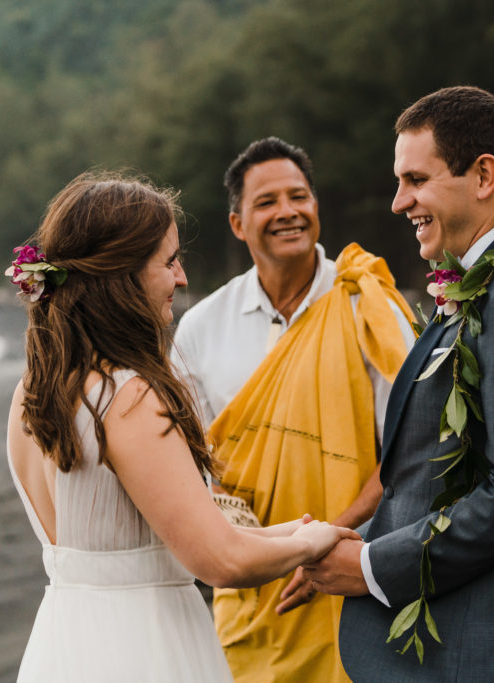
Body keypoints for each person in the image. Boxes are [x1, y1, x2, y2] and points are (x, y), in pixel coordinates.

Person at [4, 171, 356, 682]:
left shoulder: (32, 390)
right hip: (143, 645)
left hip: (65, 642)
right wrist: (309, 546)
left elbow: (155, 536)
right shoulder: (129, 397)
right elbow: (219, 559)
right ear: (122, 273)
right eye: (168, 261)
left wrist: (300, 530)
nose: (182, 277)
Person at [300, 86, 494, 681]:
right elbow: (428, 472)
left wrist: (368, 567)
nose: (397, 202)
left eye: (415, 179)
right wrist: (341, 540)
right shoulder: (478, 287)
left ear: (484, 173)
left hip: (483, 653)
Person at [172, 137, 416, 682]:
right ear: (238, 224)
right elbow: (190, 466)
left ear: (316, 209)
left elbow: (410, 448)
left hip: (356, 570)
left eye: (298, 196)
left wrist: (326, 539)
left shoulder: (366, 305)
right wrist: (248, 550)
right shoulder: (201, 328)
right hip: (250, 590)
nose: (287, 212)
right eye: (266, 202)